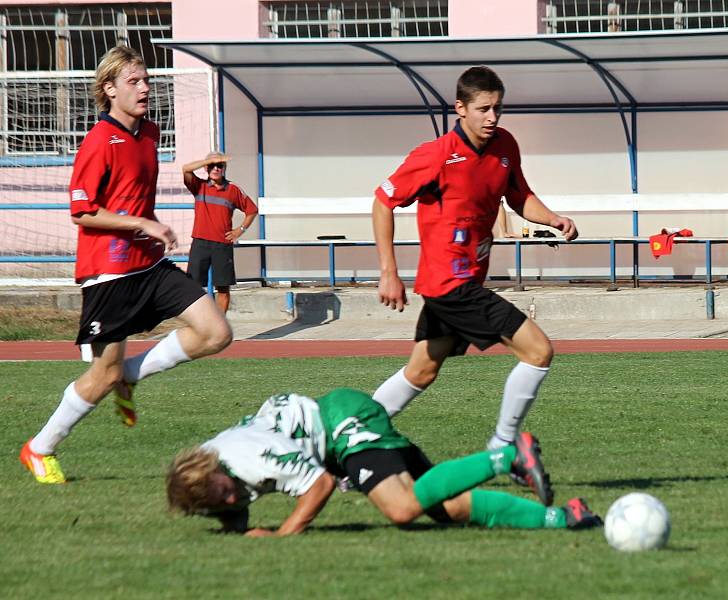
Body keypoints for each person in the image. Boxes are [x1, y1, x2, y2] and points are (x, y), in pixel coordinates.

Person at [19, 46, 232, 485]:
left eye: (147, 80)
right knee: (101, 376)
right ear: (109, 89)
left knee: (216, 332)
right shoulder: (99, 141)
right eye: (134, 81)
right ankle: (39, 449)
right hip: (109, 274)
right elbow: (82, 212)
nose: (145, 88)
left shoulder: (151, 133)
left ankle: (129, 377)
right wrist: (141, 222)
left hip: (150, 265)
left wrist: (149, 230)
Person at [371, 66, 578, 505]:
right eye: (483, 108)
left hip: (461, 282)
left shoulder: (505, 147)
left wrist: (554, 218)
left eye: (498, 108)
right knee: (539, 351)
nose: (492, 117)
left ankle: (355, 437)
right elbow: (383, 201)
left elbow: (518, 196)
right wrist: (389, 270)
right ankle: (502, 445)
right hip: (452, 284)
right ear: (460, 108)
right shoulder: (436, 154)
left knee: (421, 372)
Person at [166, 388, 601, 536]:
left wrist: (282, 534)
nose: (230, 501)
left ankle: (509, 456)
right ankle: (564, 518)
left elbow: (318, 486)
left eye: (222, 495)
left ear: (214, 473)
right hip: (340, 429)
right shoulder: (218, 460)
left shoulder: (251, 459)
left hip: (343, 425)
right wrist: (235, 525)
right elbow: (233, 502)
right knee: (445, 508)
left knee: (401, 509)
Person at [182, 152, 258, 314]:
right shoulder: (199, 186)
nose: (216, 168)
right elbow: (186, 169)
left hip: (222, 245)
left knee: (222, 288)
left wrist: (240, 229)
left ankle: (220, 327)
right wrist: (209, 160)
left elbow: (252, 210)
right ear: (206, 167)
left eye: (220, 165)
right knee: (193, 287)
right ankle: (200, 324)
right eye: (211, 165)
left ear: (224, 168)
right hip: (200, 243)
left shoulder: (233, 189)